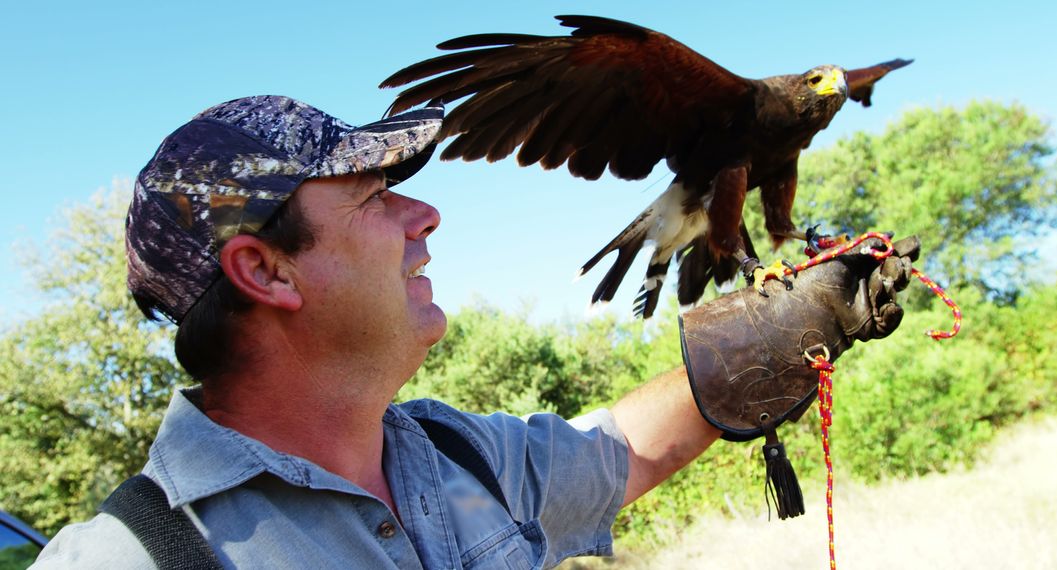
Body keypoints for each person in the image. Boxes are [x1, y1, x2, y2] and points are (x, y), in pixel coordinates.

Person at [33, 95, 916, 569]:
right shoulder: (133, 561)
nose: (428, 214)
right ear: (266, 272)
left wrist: (804, 317)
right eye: (378, 196)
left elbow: (629, 452)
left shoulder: (458, 460)